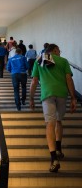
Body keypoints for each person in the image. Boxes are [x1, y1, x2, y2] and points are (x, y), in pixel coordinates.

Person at [30, 44, 77, 173]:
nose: (60, 52)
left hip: (47, 95)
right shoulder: (63, 61)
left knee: (49, 124)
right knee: (58, 121)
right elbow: (68, 79)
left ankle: (54, 159)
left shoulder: (39, 60)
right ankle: (59, 149)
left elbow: (34, 81)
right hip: (62, 94)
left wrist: (31, 98)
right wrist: (73, 97)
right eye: (59, 50)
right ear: (55, 50)